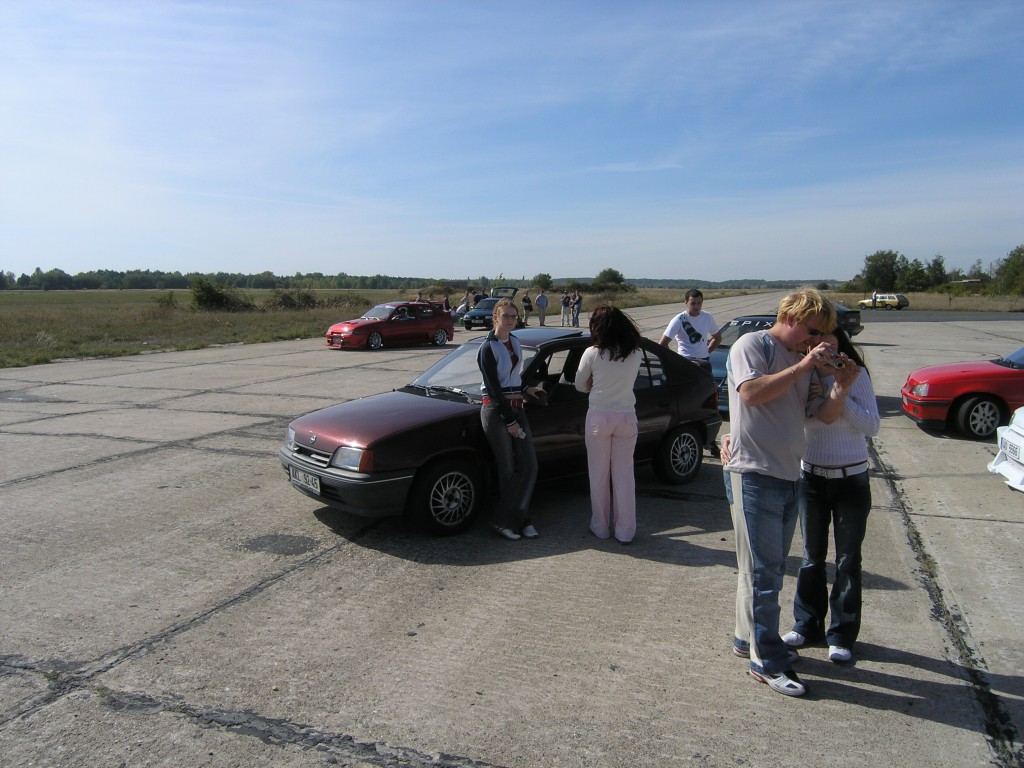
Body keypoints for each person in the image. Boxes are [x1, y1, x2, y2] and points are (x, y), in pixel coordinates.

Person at [723, 288, 855, 697]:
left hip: (786, 474)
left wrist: (842, 385)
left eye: (821, 336)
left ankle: (749, 639)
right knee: (764, 575)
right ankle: (766, 660)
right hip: (753, 473)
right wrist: (805, 365)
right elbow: (751, 393)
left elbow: (824, 415)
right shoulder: (753, 345)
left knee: (770, 568)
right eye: (812, 332)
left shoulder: (803, 361)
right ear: (792, 318)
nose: (815, 341)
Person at [782, 330, 879, 664]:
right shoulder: (803, 376)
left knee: (848, 561)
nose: (827, 354)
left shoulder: (856, 375)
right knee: (811, 557)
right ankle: (807, 625)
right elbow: (796, 417)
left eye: (833, 348)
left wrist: (842, 390)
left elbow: (872, 426)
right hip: (812, 478)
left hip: (851, 480)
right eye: (820, 347)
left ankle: (841, 634)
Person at [477, 299, 546, 541]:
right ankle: (507, 522)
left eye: (513, 316)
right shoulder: (487, 348)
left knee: (530, 466)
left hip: (518, 408)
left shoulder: (515, 342)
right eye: (505, 316)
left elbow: (513, 376)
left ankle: (517, 519)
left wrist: (526, 388)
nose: (510, 320)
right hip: (496, 412)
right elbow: (494, 389)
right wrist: (509, 421)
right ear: (495, 318)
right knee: (507, 470)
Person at [574, 305, 643, 544]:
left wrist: (593, 384)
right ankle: (625, 531)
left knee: (599, 476)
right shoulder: (636, 353)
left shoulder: (592, 353)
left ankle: (600, 526)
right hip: (626, 417)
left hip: (599, 417)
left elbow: (579, 385)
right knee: (624, 476)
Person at [658, 289, 722, 372]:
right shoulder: (679, 320)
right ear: (686, 302)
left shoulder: (707, 317)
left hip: (704, 360)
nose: (696, 306)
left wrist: (707, 351)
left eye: (699, 303)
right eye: (693, 303)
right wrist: (674, 360)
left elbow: (717, 338)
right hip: (685, 360)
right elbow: (662, 344)